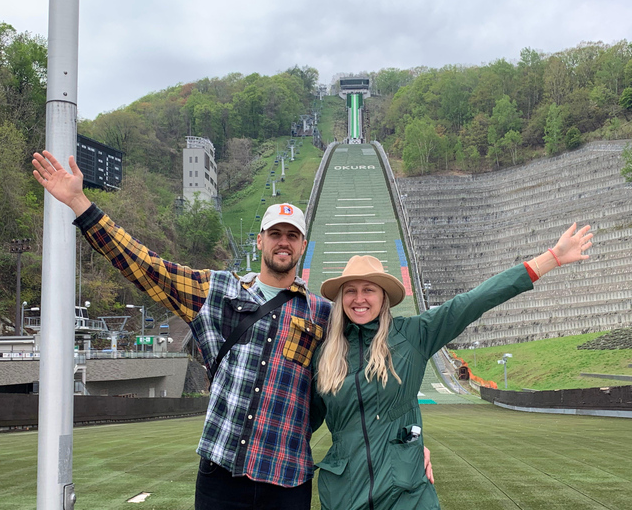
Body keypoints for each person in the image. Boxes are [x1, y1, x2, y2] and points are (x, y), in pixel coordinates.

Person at [30, 150, 432, 510]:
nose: (283, 242)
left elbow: (379, 368)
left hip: (286, 478)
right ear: (260, 240)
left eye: (292, 236)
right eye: (275, 233)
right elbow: (144, 265)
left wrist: (410, 444)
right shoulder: (216, 291)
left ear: (303, 245)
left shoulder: (324, 314)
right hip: (222, 470)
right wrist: (79, 203)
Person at [313, 223, 593, 510]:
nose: (359, 299)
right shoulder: (325, 354)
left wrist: (551, 258)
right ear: (340, 298)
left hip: (405, 493)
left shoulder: (413, 335)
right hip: (344, 494)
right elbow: (301, 419)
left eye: (368, 290)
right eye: (351, 291)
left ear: (383, 296)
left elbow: (473, 301)